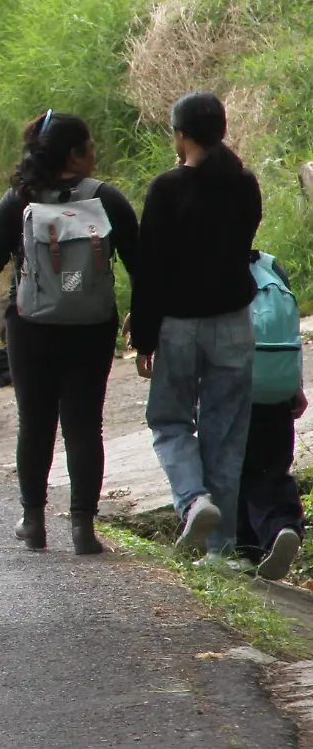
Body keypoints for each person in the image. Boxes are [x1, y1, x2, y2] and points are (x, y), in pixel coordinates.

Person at [0, 112, 138, 555]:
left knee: (35, 425)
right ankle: (83, 528)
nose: (95, 152)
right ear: (74, 154)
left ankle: (33, 520)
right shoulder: (107, 200)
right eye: (90, 145)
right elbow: (141, 264)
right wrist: (141, 320)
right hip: (91, 327)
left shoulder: (18, 202)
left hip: (32, 327)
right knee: (84, 426)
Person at [132, 91, 263, 560]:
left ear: (181, 134)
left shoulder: (166, 188)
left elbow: (150, 269)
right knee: (225, 435)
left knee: (169, 422)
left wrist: (143, 336)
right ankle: (220, 553)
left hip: (178, 326)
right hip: (233, 323)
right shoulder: (245, 183)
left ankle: (193, 500)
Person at [238, 252, 306, 579]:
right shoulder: (271, 266)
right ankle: (283, 526)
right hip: (278, 384)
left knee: (234, 468)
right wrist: (296, 384)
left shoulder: (211, 265)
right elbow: (290, 331)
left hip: (235, 387)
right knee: (272, 465)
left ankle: (244, 549)